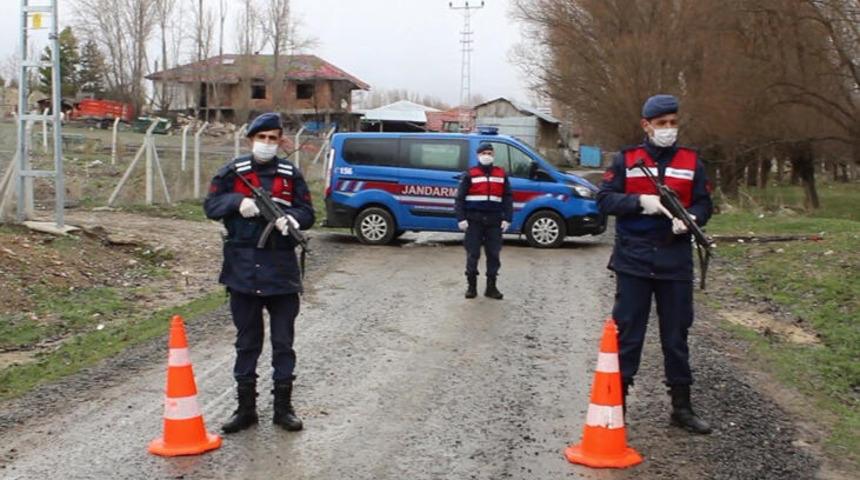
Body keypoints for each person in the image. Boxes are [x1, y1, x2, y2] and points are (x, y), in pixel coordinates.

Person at [597, 94, 714, 434]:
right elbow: (604, 199)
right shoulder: (626, 159)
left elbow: (705, 204)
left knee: (676, 335)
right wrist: (639, 202)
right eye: (662, 123)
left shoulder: (692, 161)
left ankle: (682, 407)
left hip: (674, 259)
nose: (668, 129)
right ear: (646, 125)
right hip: (634, 258)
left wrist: (692, 219)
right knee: (628, 334)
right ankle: (615, 406)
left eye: (673, 122)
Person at [203, 112, 315, 433]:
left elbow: (308, 212)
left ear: (280, 142)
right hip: (242, 269)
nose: (267, 143)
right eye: (261, 137)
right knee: (247, 342)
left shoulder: (290, 175)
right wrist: (237, 202)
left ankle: (283, 409)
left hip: (281, 270)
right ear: (250, 139)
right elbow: (210, 206)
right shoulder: (232, 172)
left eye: (272, 138)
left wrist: (292, 219)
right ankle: (245, 409)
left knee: (283, 343)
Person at [454, 142, 513, 300]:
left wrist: (507, 218)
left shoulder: (501, 174)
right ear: (478, 155)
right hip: (474, 220)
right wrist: (461, 218)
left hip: (494, 221)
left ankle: (491, 288)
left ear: (493, 155)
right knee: (473, 254)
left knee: (493, 254)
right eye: (484, 153)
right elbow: (459, 199)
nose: (487, 156)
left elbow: (507, 197)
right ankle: (471, 287)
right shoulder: (470, 174)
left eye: (489, 153)